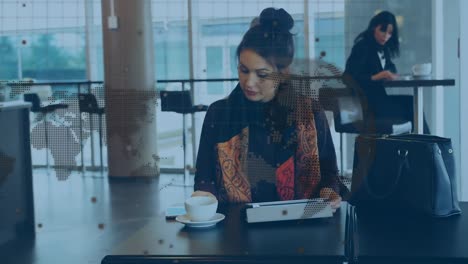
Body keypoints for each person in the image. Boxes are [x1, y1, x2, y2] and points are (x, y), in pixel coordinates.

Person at [193, 7, 342, 209]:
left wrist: (328, 193)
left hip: (300, 228)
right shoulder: (218, 114)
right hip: (235, 232)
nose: (249, 82)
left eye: (261, 74)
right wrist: (202, 200)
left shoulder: (310, 113)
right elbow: (205, 180)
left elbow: (329, 174)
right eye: (243, 70)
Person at [343, 11, 429, 133]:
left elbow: (390, 67)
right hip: (366, 104)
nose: (386, 36)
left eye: (389, 33)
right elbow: (348, 77)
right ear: (374, 27)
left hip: (379, 100)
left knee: (413, 103)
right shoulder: (362, 46)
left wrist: (389, 73)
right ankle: (429, 146)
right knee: (412, 106)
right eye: (383, 31)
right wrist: (375, 77)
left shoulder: (383, 49)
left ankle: (423, 145)